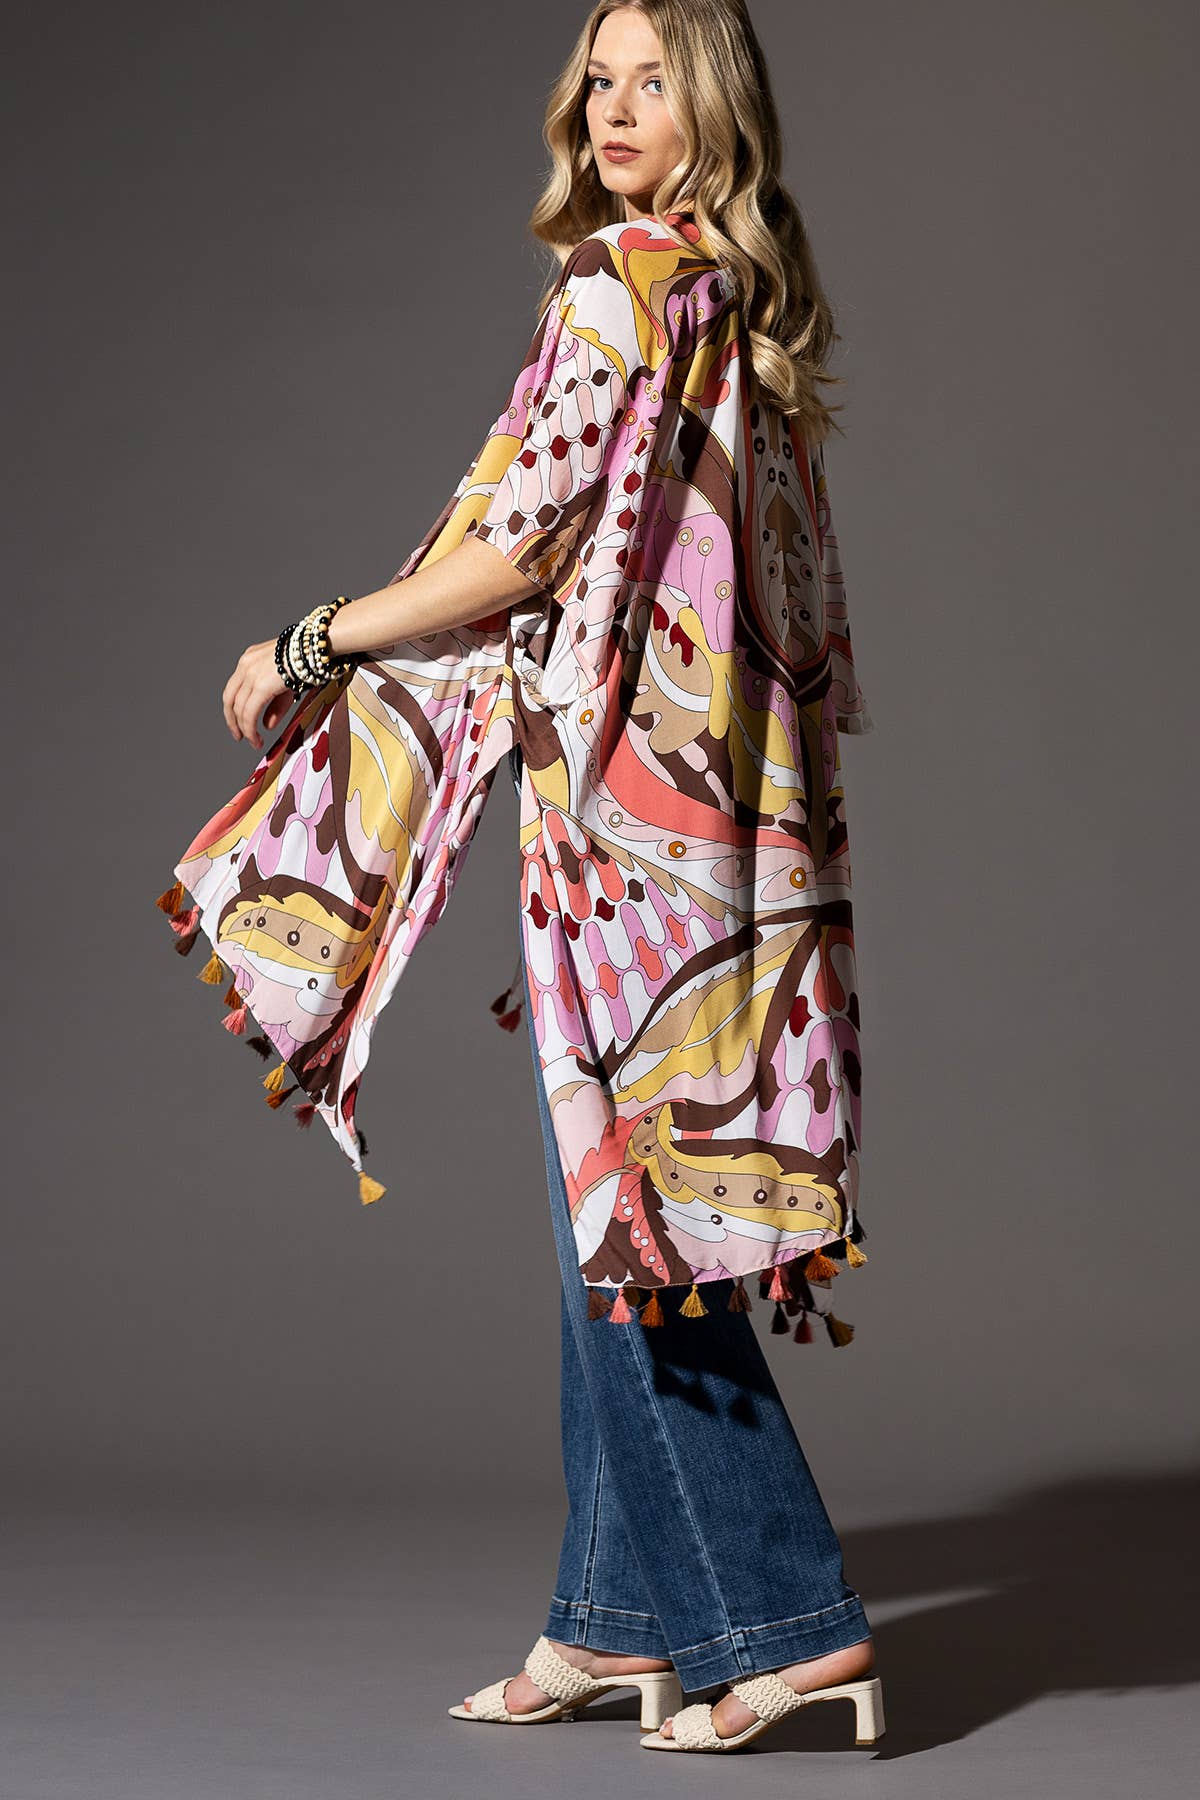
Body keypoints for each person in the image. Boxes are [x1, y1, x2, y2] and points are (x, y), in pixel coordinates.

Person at [183, 0, 882, 1756]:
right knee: (628, 1210)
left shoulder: (617, 285)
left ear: (714, 108)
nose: (617, 102)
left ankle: (790, 1618)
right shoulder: (744, 302)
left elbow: (519, 547)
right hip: (743, 813)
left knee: (628, 1221)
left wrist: (314, 638)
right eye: (602, 73)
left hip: (622, 817)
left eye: (658, 77)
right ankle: (618, 1613)